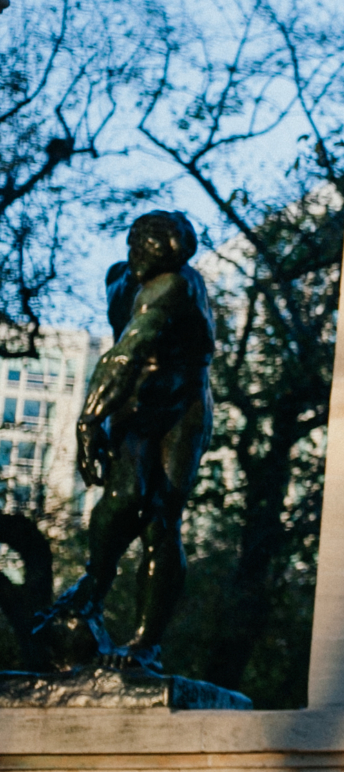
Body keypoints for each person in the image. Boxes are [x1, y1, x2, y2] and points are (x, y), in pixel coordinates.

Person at [36, 210, 215, 672]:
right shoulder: (118, 277)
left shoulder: (174, 287)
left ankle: (145, 643)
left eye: (157, 258)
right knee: (120, 500)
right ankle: (94, 582)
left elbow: (127, 353)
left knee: (162, 516)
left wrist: (88, 418)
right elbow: (123, 357)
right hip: (134, 402)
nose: (144, 263)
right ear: (133, 244)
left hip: (181, 405)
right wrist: (96, 419)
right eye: (143, 252)